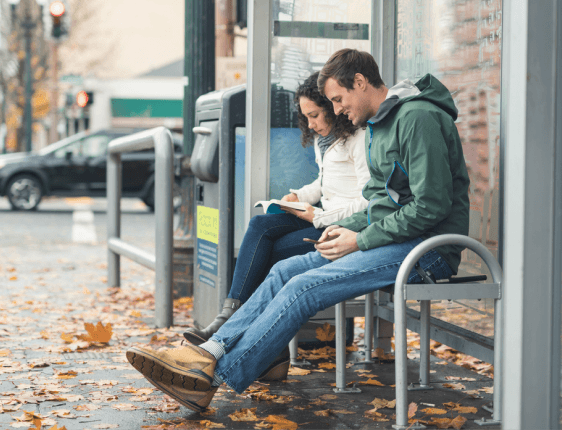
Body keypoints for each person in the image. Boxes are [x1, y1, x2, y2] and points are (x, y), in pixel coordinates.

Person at [126, 48, 470, 413]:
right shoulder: (379, 125)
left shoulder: (417, 118)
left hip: (429, 250)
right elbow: (379, 205)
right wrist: (343, 228)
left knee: (304, 287)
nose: (337, 110)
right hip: (397, 238)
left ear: (361, 82)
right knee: (283, 270)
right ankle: (208, 352)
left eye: (338, 99)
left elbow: (431, 207)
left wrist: (360, 238)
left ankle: (210, 381)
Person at [183, 71, 370, 346]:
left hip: (341, 228)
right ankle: (230, 318)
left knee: (268, 255)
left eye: (315, 115)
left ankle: (245, 337)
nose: (311, 124)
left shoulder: (360, 139)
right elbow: (323, 182)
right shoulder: (325, 140)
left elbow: (368, 201)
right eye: (306, 117)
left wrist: (318, 215)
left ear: (334, 106)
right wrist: (298, 195)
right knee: (260, 225)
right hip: (320, 217)